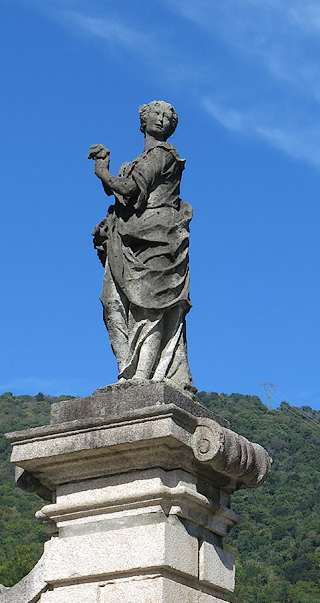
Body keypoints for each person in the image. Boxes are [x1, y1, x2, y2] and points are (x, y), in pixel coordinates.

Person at [88, 100, 195, 395]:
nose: (161, 120)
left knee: (150, 306)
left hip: (158, 240)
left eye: (168, 117)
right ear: (143, 120)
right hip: (126, 239)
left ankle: (143, 376)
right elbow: (126, 196)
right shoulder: (137, 160)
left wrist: (103, 172)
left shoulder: (164, 154)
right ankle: (126, 371)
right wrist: (111, 176)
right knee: (112, 302)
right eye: (156, 114)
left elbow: (130, 188)